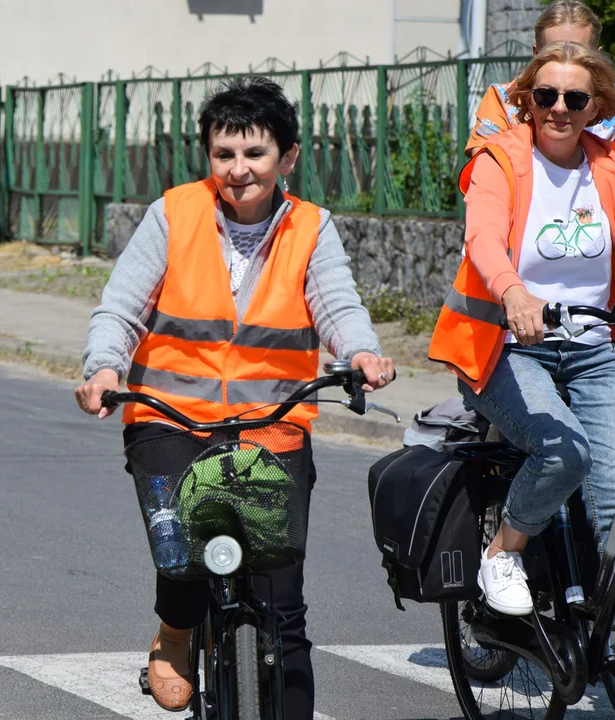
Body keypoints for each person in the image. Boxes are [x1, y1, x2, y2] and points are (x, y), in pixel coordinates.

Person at [74, 77, 395, 717]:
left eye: (254, 154)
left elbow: (337, 302)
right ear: (208, 157)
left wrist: (359, 353)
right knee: (186, 547)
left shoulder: (311, 227)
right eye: (224, 154)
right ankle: (175, 631)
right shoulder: (173, 213)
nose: (239, 170)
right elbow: (121, 308)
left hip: (269, 425)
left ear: (287, 157)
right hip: (171, 418)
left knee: (283, 604)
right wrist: (105, 367)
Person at [429, 41, 615, 700]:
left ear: (596, 105)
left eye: (575, 98)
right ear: (525, 102)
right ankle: (502, 552)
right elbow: (481, 237)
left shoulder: (609, 167)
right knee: (561, 451)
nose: (560, 109)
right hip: (506, 349)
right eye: (546, 96)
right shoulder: (500, 162)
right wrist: (512, 292)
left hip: (590, 347)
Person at [466, 0, 615, 219]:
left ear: (598, 57)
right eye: (553, 52)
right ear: (536, 55)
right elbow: (485, 186)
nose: (567, 62)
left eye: (579, 55)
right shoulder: (505, 99)